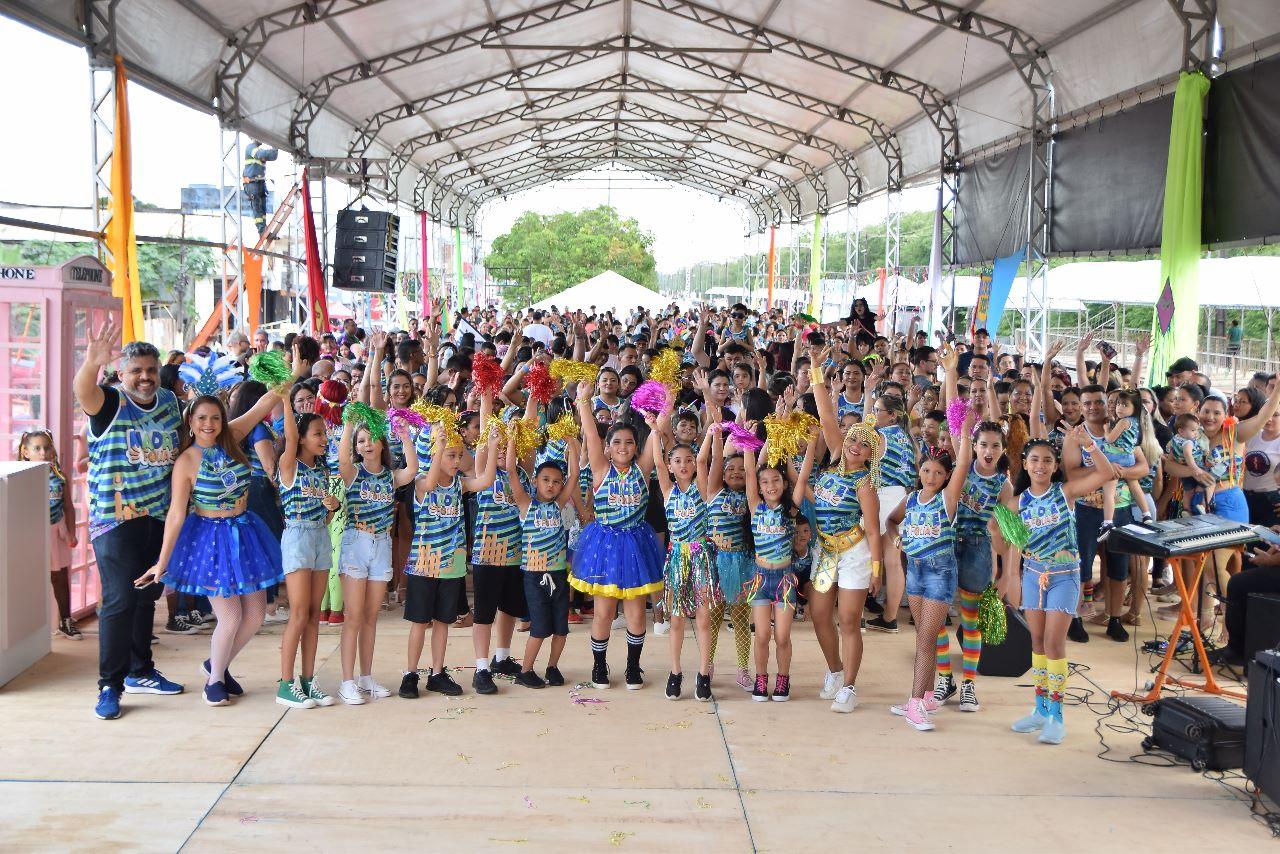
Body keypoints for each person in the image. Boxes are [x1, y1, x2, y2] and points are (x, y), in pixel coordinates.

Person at [135, 389, 286, 706]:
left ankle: (217, 663)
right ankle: (215, 680)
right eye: (202, 418)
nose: (209, 424)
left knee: (255, 615)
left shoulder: (233, 437)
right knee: (230, 616)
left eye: (215, 417)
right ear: (190, 421)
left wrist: (293, 375)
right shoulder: (187, 461)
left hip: (245, 534)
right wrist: (162, 562)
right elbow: (177, 514)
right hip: (210, 540)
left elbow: (262, 404)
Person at [74, 321, 185, 720]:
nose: (144, 378)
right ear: (122, 374)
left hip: (158, 515)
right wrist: (91, 363)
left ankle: (141, 670)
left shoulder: (170, 403)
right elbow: (83, 392)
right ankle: (110, 685)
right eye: (136, 371)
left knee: (145, 597)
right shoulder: (109, 402)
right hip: (115, 518)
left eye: (150, 371)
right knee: (120, 600)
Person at [1006, 430, 1119, 744]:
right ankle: (1040, 709)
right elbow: (1010, 542)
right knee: (1038, 642)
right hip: (1032, 576)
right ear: (1025, 465)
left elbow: (1107, 473)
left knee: (1055, 644)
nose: (1040, 465)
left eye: (1047, 460)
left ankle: (1057, 716)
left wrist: (1089, 446)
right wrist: (1010, 577)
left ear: (1055, 465)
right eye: (1034, 460)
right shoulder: (1016, 503)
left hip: (1065, 577)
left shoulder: (1066, 492)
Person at [799, 351, 884, 712]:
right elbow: (825, 414)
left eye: (864, 444)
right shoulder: (833, 457)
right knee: (819, 615)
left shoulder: (865, 483)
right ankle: (834, 671)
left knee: (849, 620)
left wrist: (877, 568)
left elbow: (875, 529)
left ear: (870, 454)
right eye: (853, 439)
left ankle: (849, 686)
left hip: (854, 554)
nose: (855, 446)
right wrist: (816, 369)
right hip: (824, 551)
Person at [569, 380, 663, 690]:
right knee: (603, 613)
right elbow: (592, 435)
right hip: (604, 546)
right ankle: (599, 666)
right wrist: (583, 401)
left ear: (637, 447)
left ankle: (633, 667)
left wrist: (665, 407)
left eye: (629, 443)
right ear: (608, 448)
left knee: (637, 613)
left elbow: (656, 432)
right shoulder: (600, 469)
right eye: (617, 443)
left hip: (637, 545)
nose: (623, 447)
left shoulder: (643, 469)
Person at [884, 408, 974, 731]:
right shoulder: (911, 500)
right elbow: (891, 523)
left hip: (940, 574)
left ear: (946, 477)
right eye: (926, 470)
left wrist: (963, 433)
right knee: (927, 639)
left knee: (925, 640)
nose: (931, 477)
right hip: (916, 573)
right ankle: (924, 697)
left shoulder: (946, 500)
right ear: (919, 471)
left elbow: (963, 463)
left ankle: (914, 703)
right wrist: (897, 541)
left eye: (938, 472)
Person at [398, 422, 498, 699]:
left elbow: (485, 481)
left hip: (451, 566)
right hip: (423, 564)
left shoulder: (460, 485)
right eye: (450, 455)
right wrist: (438, 445)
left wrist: (490, 447)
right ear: (435, 455)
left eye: (458, 455)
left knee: (443, 621)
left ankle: (438, 673)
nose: (456, 461)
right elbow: (430, 483)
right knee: (420, 621)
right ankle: (410, 673)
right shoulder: (420, 483)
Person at [335, 413, 419, 705]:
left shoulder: (390, 477)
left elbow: (413, 468)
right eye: (361, 440)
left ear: (383, 444)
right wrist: (348, 425)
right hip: (356, 542)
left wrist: (406, 435)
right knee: (354, 616)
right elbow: (342, 460)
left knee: (371, 617)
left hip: (382, 545)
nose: (367, 443)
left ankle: (366, 677)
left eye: (372, 438)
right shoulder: (353, 472)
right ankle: (347, 681)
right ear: (356, 447)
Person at [275, 385, 341, 708]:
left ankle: (307, 680)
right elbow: (288, 437)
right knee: (299, 613)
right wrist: (286, 398)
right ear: (301, 438)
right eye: (317, 433)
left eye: (324, 433)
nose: (324, 438)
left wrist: (331, 508)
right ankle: (286, 684)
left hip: (319, 536)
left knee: (315, 614)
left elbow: (325, 519)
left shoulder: (323, 469)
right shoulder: (289, 465)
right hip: (298, 538)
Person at [647, 414, 721, 702]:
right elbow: (655, 462)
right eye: (677, 461)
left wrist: (713, 433)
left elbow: (705, 461)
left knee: (703, 620)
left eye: (688, 460)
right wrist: (655, 432)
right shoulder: (667, 491)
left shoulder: (701, 488)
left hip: (701, 557)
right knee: (676, 620)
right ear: (670, 465)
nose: (684, 465)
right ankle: (675, 672)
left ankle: (703, 674)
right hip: (677, 558)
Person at [508, 446, 579, 689]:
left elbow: (575, 473)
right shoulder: (527, 505)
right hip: (534, 576)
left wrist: (573, 443)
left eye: (557, 482)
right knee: (539, 628)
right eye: (546, 480)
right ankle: (525, 671)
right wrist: (511, 442)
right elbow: (510, 472)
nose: (551, 485)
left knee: (561, 628)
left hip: (558, 575)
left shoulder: (558, 506)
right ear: (535, 481)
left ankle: (552, 667)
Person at [702, 428, 753, 691]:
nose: (735, 472)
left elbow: (751, 468)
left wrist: (750, 450)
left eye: (741, 469)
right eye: (730, 468)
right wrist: (718, 432)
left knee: (742, 619)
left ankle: (743, 669)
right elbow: (716, 458)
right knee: (712, 618)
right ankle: (706, 666)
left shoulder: (751, 496)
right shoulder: (714, 492)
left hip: (742, 564)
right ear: (721, 473)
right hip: (714, 564)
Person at [18, 429, 81, 640]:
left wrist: (71, 532)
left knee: (60, 576)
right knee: (30, 578)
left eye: (47, 448)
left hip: (57, 529)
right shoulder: (20, 476)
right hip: (32, 533)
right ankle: (27, 625)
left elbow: (69, 506)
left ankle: (65, 620)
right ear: (26, 452)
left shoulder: (58, 475)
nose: (43, 452)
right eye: (37, 448)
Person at [1096, 389, 1154, 539]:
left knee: (1109, 492)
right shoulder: (1135, 423)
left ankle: (1108, 522)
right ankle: (1146, 515)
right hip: (1129, 458)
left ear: (1134, 408)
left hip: (1116, 458)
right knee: (1135, 486)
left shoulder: (1123, 421)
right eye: (1118, 404)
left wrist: (1106, 429)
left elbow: (1109, 439)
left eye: (1124, 405)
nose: (1119, 408)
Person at [1168, 413, 1214, 514]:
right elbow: (1188, 455)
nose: (1196, 433)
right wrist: (1195, 469)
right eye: (1193, 430)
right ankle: (1202, 504)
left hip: (1183, 471)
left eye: (1197, 430)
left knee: (1188, 491)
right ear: (1181, 431)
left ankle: (1186, 509)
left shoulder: (1175, 439)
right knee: (1210, 482)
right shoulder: (1188, 442)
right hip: (1196, 466)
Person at [242, 140, 278, 238]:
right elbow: (260, 154)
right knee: (257, 208)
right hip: (251, 183)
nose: (262, 139)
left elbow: (273, 156)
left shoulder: (260, 150)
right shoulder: (251, 147)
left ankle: (264, 230)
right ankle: (262, 231)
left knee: (262, 208)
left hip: (260, 182)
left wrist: (276, 145)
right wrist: (273, 146)